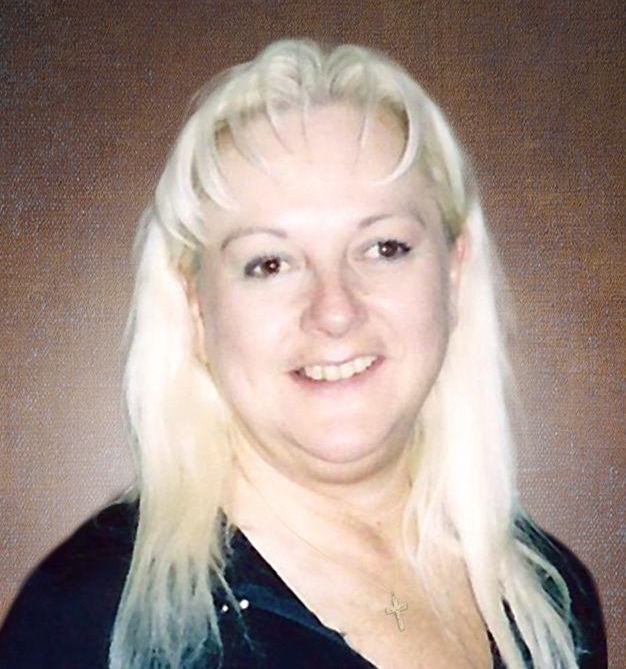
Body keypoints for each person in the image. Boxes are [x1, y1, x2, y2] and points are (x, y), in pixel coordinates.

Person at [0, 40, 607, 668]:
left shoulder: (550, 601)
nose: (335, 311)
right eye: (270, 263)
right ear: (197, 309)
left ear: (452, 276)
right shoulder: (91, 624)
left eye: (385, 248)